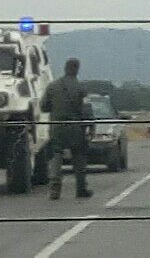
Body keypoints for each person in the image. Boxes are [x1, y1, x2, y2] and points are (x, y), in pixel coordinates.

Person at [41, 58, 93, 200]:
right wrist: (90, 127)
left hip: (57, 127)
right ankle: (81, 188)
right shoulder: (81, 88)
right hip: (75, 127)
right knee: (79, 157)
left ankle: (54, 190)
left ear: (65, 68)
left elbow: (43, 106)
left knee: (56, 156)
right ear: (77, 69)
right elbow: (87, 111)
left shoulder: (52, 86)